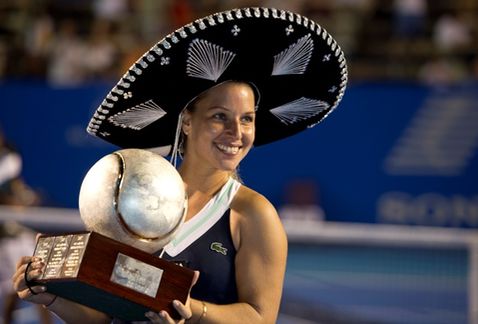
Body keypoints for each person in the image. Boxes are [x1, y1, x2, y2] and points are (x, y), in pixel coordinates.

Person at [12, 7, 347, 323]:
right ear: (187, 121)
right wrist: (50, 296)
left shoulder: (253, 215)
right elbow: (107, 313)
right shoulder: (135, 194)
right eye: (220, 117)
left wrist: (192, 311)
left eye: (247, 119)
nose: (236, 132)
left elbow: (260, 317)